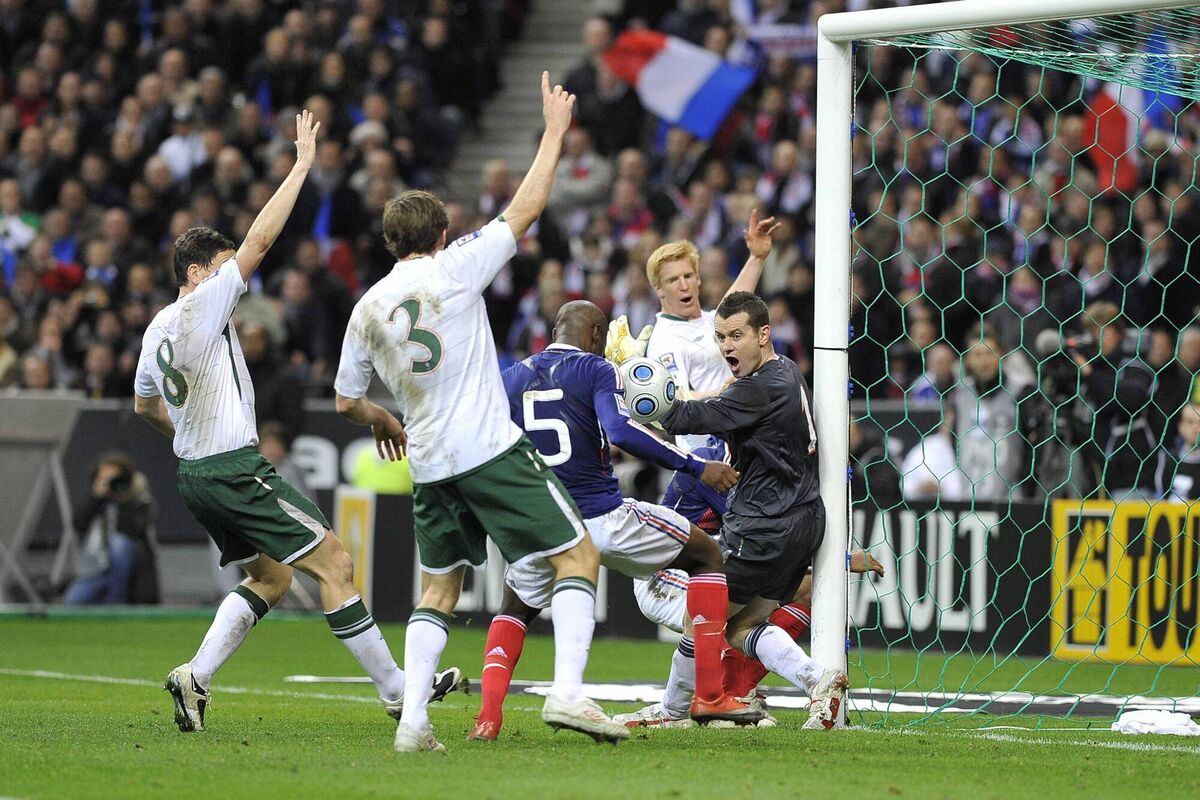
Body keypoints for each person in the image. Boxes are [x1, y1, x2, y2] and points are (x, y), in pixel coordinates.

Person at [133, 112, 460, 737]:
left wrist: (186, 439)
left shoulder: (155, 331)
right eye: (223, 268)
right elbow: (258, 243)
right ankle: (398, 691)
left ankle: (195, 677)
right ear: (198, 274)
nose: (237, 280)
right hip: (231, 466)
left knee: (272, 575)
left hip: (196, 473)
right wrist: (303, 167)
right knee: (335, 563)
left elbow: (146, 405)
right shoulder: (203, 306)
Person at [333, 74, 628, 753]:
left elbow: (346, 400)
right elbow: (523, 212)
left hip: (430, 461)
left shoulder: (366, 308)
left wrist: (382, 420)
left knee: (439, 591)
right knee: (578, 554)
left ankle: (412, 724)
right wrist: (553, 133)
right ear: (441, 233)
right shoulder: (457, 266)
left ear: (389, 242)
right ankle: (569, 694)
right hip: (490, 449)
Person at [469, 300, 757, 741]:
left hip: (543, 524)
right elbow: (621, 432)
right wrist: (696, 466)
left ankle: (488, 720)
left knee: (515, 608)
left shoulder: (512, 378)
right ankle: (710, 694)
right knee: (705, 554)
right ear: (595, 333)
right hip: (603, 517)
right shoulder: (595, 370)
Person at [656, 291, 848, 731]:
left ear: (764, 334)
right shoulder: (786, 372)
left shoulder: (759, 386)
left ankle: (672, 713)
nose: (726, 347)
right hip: (799, 523)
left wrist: (640, 393)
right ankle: (819, 681)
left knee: (700, 616)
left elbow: (689, 418)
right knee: (742, 627)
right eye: (720, 336)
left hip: (763, 528)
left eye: (736, 335)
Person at [617, 437, 884, 728]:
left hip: (721, 563)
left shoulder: (769, 465)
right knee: (706, 613)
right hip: (669, 571)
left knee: (760, 614)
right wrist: (841, 562)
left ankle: (812, 681)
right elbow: (759, 538)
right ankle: (678, 710)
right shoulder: (715, 465)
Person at [63, 451, 159, 605]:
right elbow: (78, 524)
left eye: (113, 479)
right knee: (72, 602)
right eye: (103, 479)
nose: (108, 484)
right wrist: (96, 498)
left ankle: (117, 602)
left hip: (131, 569)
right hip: (96, 569)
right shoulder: (95, 502)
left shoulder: (139, 500)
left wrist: (123, 499)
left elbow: (136, 528)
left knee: (119, 543)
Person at [1165, 403, 1200, 501]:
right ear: (1180, 426)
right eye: (1190, 422)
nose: (1196, 428)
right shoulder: (1167, 459)